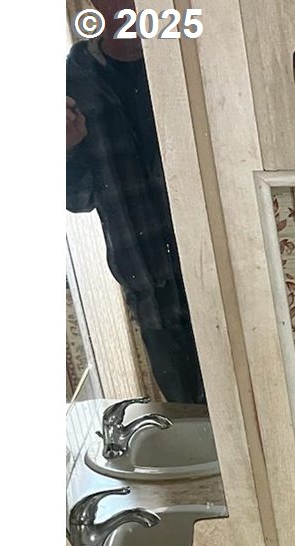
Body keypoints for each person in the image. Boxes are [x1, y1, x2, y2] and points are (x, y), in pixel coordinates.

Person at [65, 31, 205, 405]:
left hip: (221, 276)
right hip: (154, 297)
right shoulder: (73, 82)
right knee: (193, 429)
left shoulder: (191, 56)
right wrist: (66, 149)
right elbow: (78, 199)